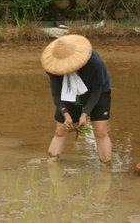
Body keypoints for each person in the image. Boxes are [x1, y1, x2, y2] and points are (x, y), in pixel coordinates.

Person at [41, 34, 112, 168]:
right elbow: (56, 94)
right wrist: (66, 115)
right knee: (60, 130)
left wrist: (85, 114)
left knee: (100, 131)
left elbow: (96, 91)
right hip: (68, 92)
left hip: (98, 92)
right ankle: (51, 164)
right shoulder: (54, 67)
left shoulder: (94, 63)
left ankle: (106, 168)